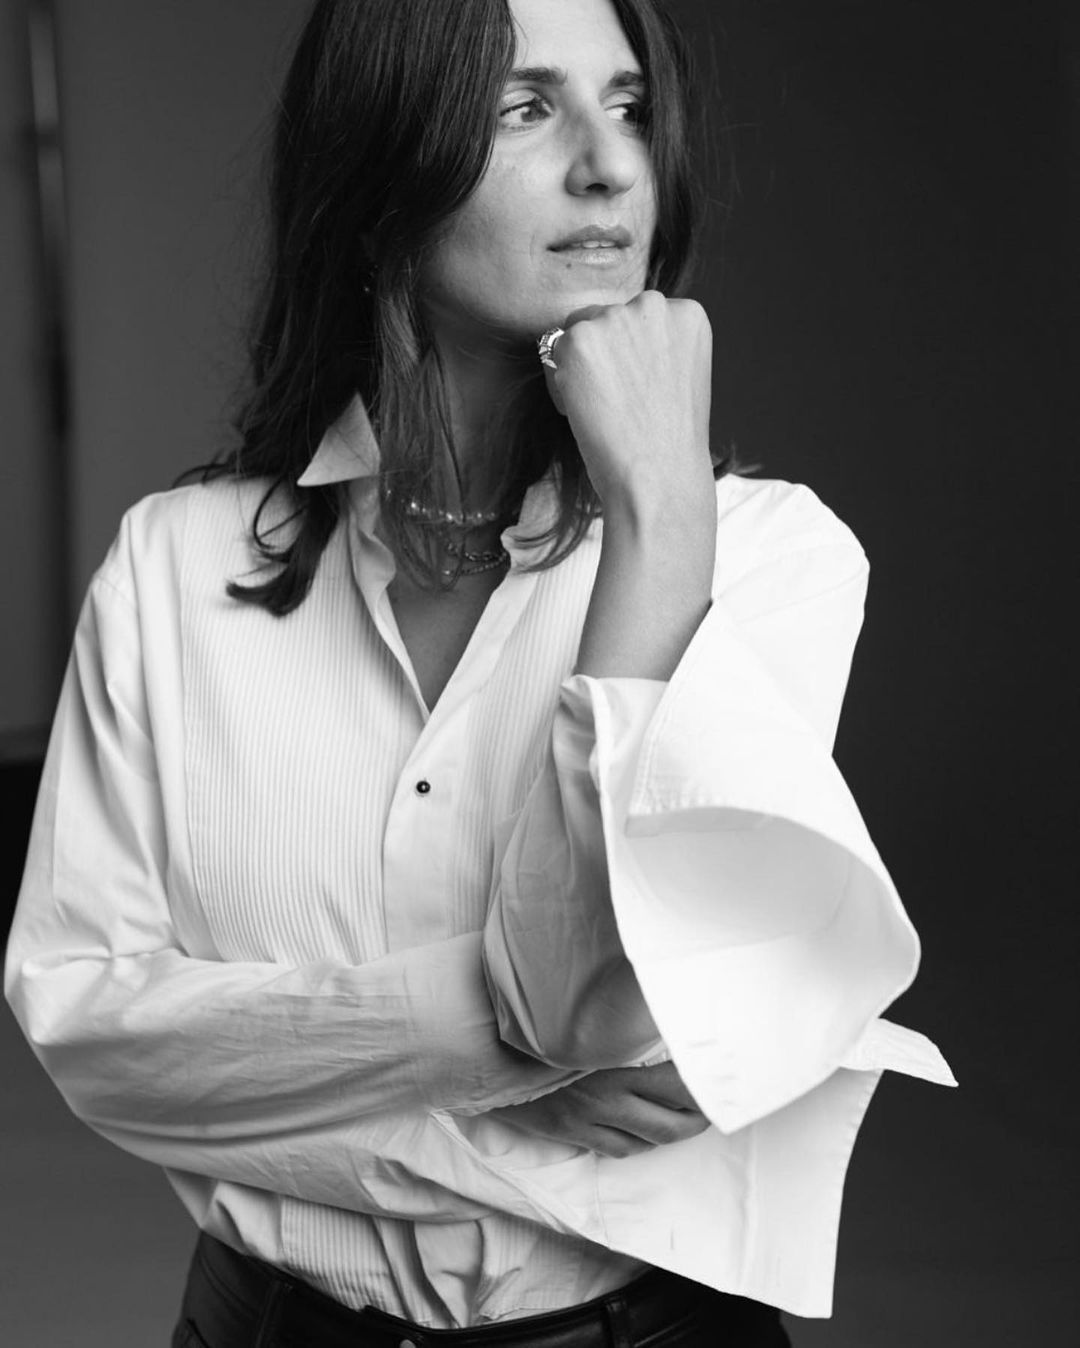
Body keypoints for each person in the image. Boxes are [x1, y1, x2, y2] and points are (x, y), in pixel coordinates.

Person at [5, 0, 956, 1344]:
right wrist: (510, 1075)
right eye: (526, 107)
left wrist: (660, 530)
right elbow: (90, 1035)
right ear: (380, 168)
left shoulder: (767, 559)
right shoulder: (173, 568)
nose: (610, 166)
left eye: (630, 107)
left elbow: (586, 999)